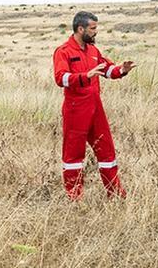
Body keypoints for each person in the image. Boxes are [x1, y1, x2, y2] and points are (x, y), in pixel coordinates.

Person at [53, 11, 135, 200]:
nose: (96, 32)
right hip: (75, 110)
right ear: (80, 29)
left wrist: (121, 70)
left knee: (107, 150)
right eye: (93, 28)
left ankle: (115, 195)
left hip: (96, 108)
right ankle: (75, 198)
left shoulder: (93, 51)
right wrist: (85, 76)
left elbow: (106, 69)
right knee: (73, 155)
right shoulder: (63, 51)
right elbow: (60, 78)